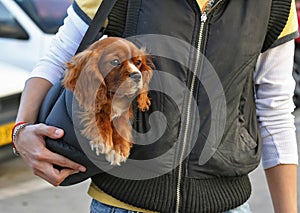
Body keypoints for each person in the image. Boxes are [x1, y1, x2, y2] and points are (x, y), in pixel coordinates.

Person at [13, 0, 299, 212]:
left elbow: (274, 111)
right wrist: (22, 131)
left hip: (226, 205)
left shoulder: (275, 5)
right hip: (122, 204)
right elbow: (56, 61)